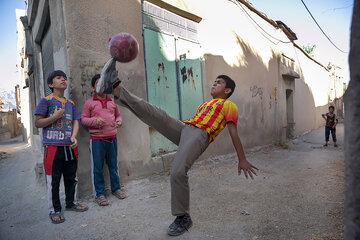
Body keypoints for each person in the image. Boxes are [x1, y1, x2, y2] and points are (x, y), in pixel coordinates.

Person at [97, 58, 258, 236]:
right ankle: (116, 87)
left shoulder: (229, 105)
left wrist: (242, 159)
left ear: (227, 90)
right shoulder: (205, 104)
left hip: (200, 135)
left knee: (178, 171)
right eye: (214, 81)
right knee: (155, 113)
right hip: (186, 129)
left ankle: (183, 217)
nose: (214, 83)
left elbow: (233, 132)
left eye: (219, 82)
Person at [34, 70, 88, 224]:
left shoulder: (70, 104)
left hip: (69, 147)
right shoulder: (46, 101)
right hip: (52, 147)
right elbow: (38, 122)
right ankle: (54, 209)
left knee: (72, 177)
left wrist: (74, 136)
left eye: (64, 78)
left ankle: (71, 202)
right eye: (58, 78)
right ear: (51, 84)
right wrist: (54, 117)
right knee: (53, 180)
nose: (63, 80)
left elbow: (76, 121)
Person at [81, 74, 126, 207]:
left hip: (112, 139)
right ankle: (99, 194)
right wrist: (95, 121)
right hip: (97, 140)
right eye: (97, 84)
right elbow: (83, 119)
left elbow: (118, 115)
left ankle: (116, 188)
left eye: (103, 83)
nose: (101, 86)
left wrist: (119, 121)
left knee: (113, 166)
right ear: (93, 87)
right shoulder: (89, 103)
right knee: (97, 168)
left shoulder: (112, 102)